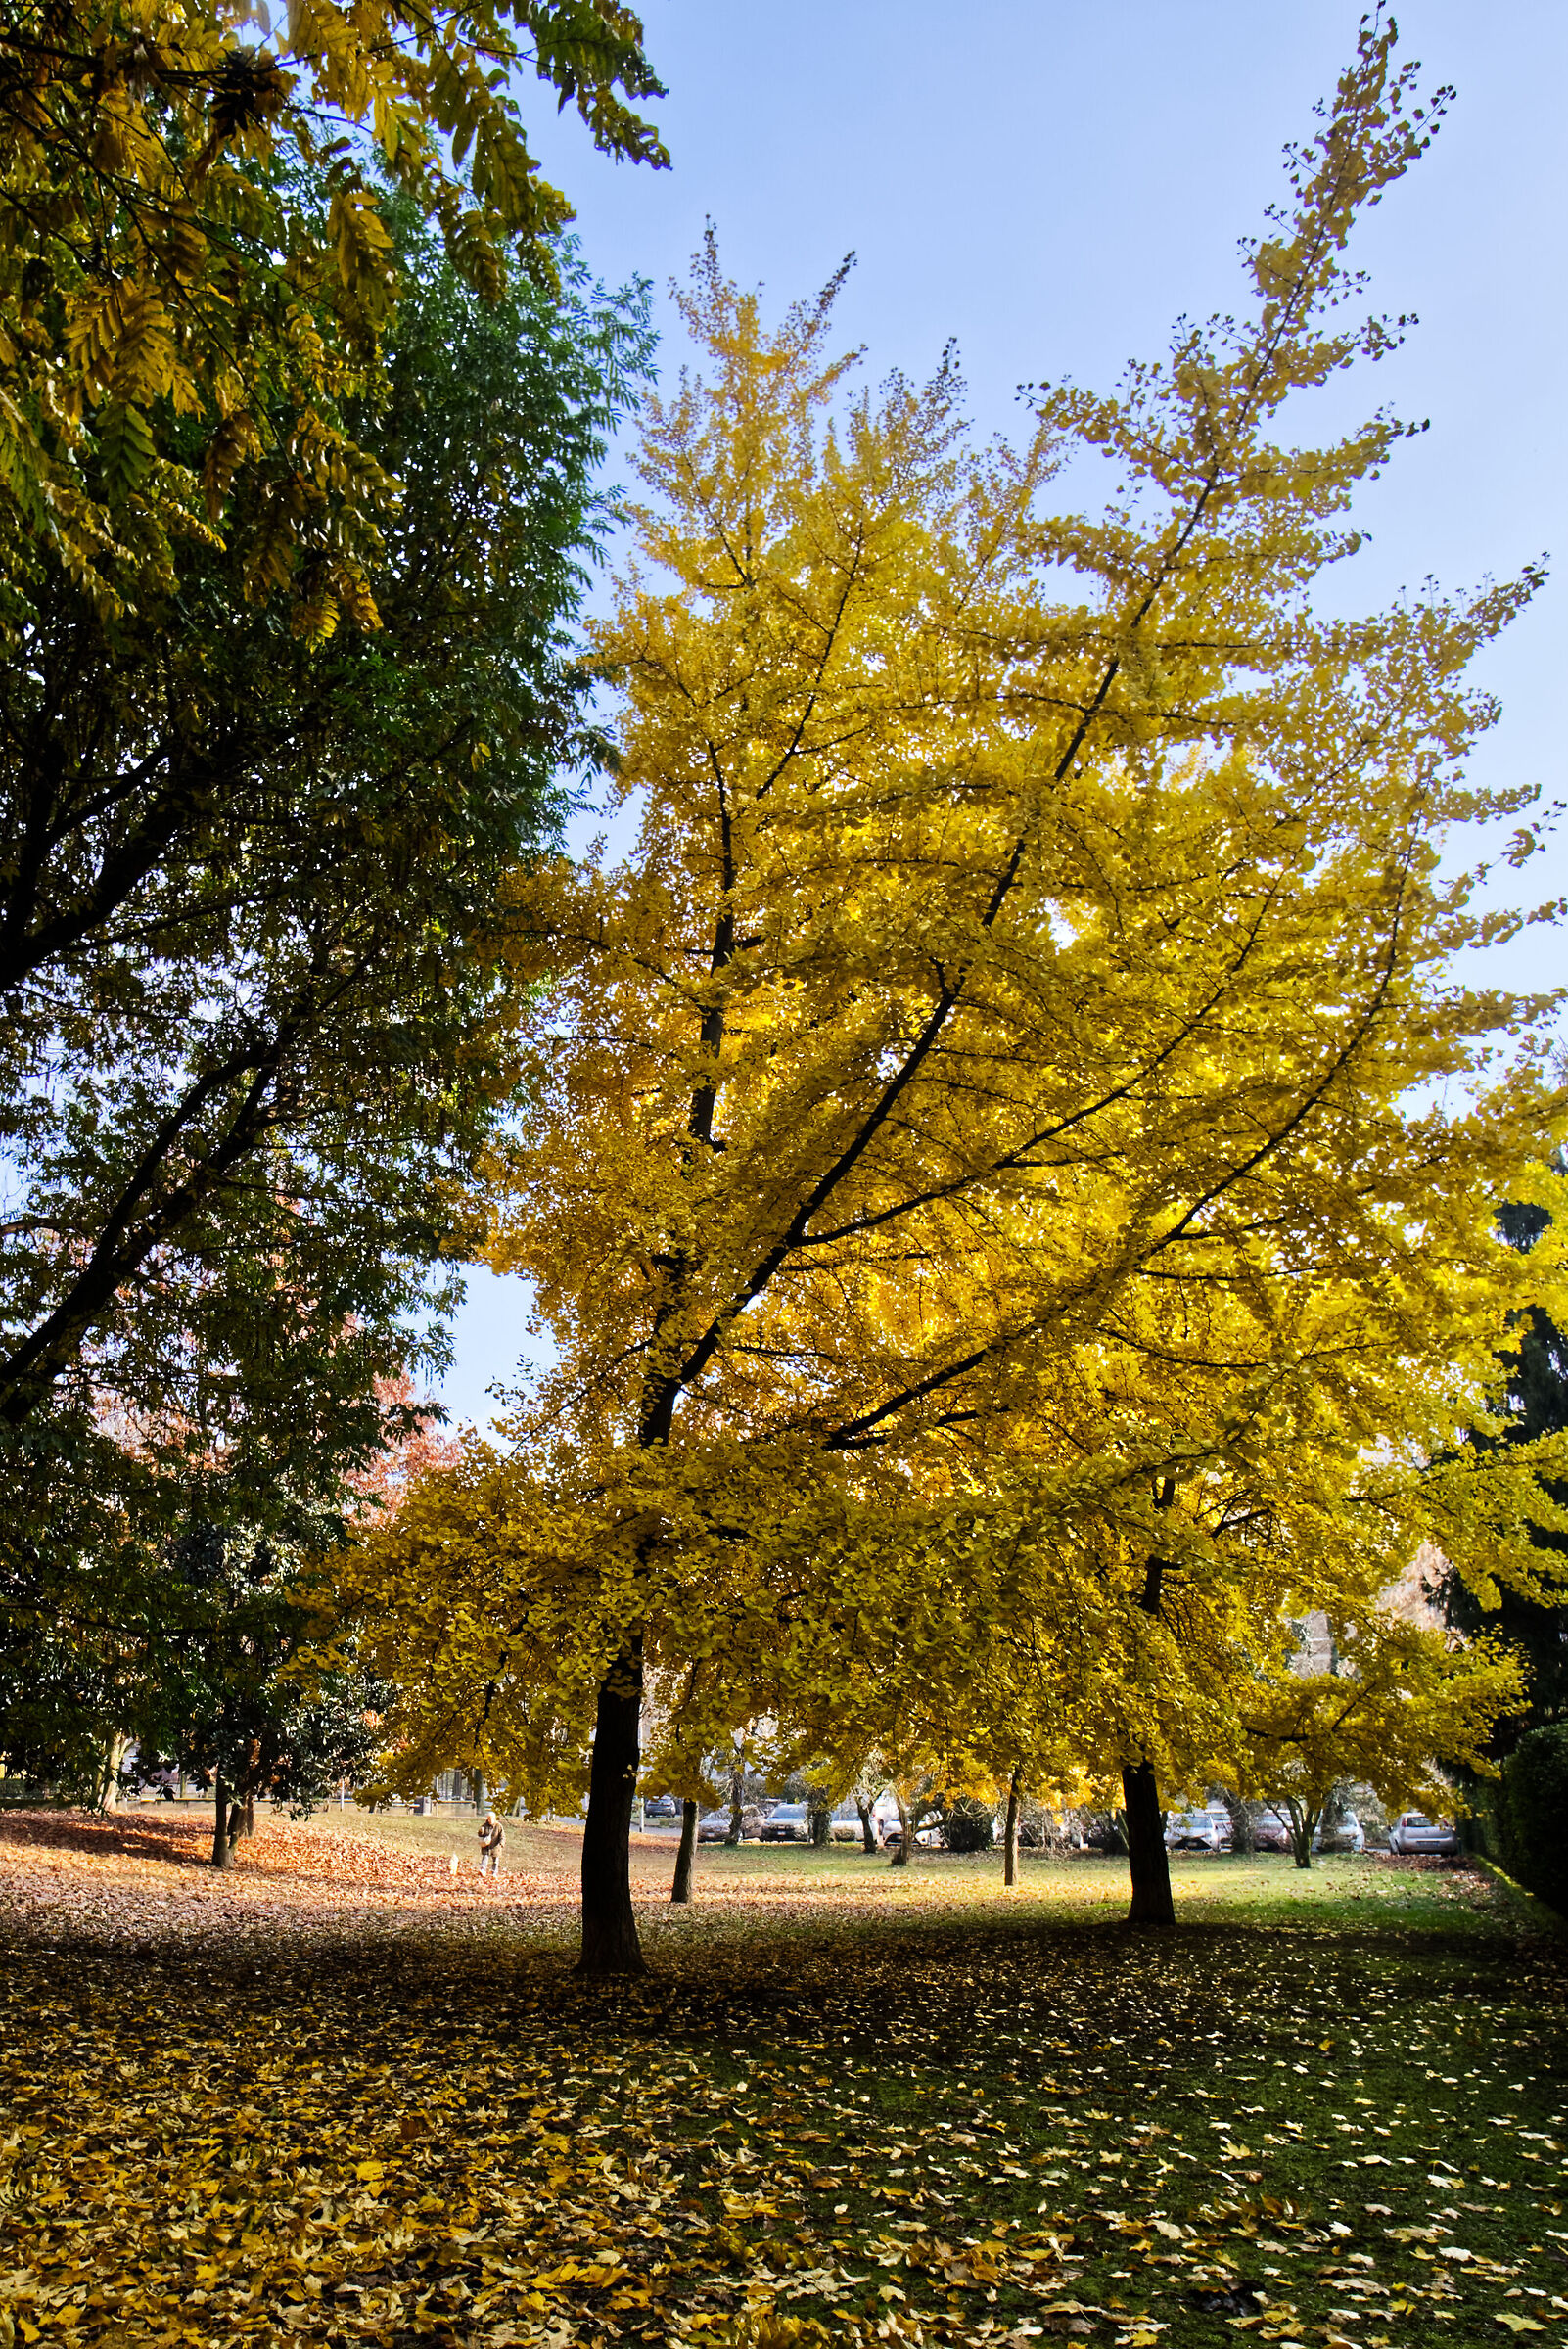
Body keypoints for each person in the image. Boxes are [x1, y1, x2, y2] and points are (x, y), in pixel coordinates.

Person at [478, 1808, 505, 1879]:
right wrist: (481, 1832)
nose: (489, 1820)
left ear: (494, 1818)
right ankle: (483, 1870)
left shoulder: (499, 1826)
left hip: (496, 1846)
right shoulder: (484, 1826)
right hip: (486, 1846)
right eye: (488, 1819)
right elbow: (480, 1835)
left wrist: (501, 1844)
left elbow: (502, 1836)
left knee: (495, 1861)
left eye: (490, 1819)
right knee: (485, 1858)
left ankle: (494, 1873)